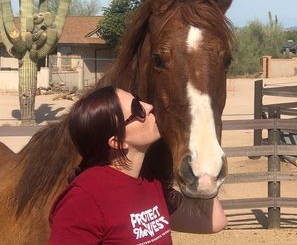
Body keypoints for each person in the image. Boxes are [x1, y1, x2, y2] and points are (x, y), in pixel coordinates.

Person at [48, 86, 227, 244]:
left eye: (141, 102)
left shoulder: (151, 182)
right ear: (117, 142)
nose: (149, 107)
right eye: (137, 109)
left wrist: (205, 148)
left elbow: (211, 221)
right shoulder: (83, 199)